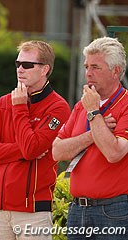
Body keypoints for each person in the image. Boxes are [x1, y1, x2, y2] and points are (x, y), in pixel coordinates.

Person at [0, 40, 71, 239]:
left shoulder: (58, 107)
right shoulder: (4, 102)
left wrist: (20, 107)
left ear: (45, 69)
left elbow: (32, 148)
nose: (20, 69)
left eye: (27, 65)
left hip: (34, 211)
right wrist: (23, 150)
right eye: (18, 64)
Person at [52, 36, 128, 239]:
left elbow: (114, 153)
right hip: (78, 209)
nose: (88, 73)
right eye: (86, 66)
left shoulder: (125, 105)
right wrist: (92, 133)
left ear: (116, 71)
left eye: (96, 67)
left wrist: (94, 112)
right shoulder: (81, 105)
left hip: (114, 211)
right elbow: (57, 152)